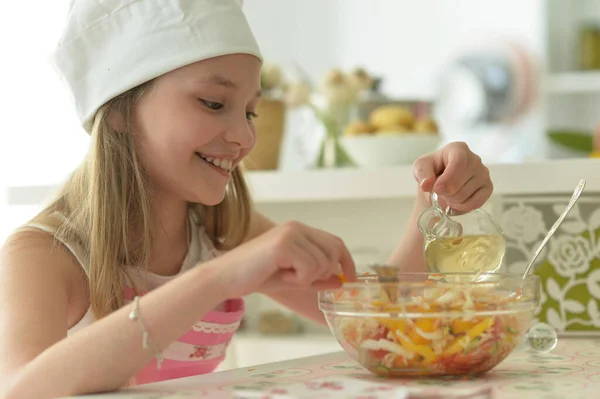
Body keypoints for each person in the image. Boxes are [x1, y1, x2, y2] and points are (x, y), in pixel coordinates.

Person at [0, 1, 493, 398]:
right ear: (120, 112)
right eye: (214, 103)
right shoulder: (43, 256)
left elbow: (379, 322)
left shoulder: (222, 231)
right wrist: (218, 276)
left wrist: (434, 200)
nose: (242, 136)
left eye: (251, 112)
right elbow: (21, 389)